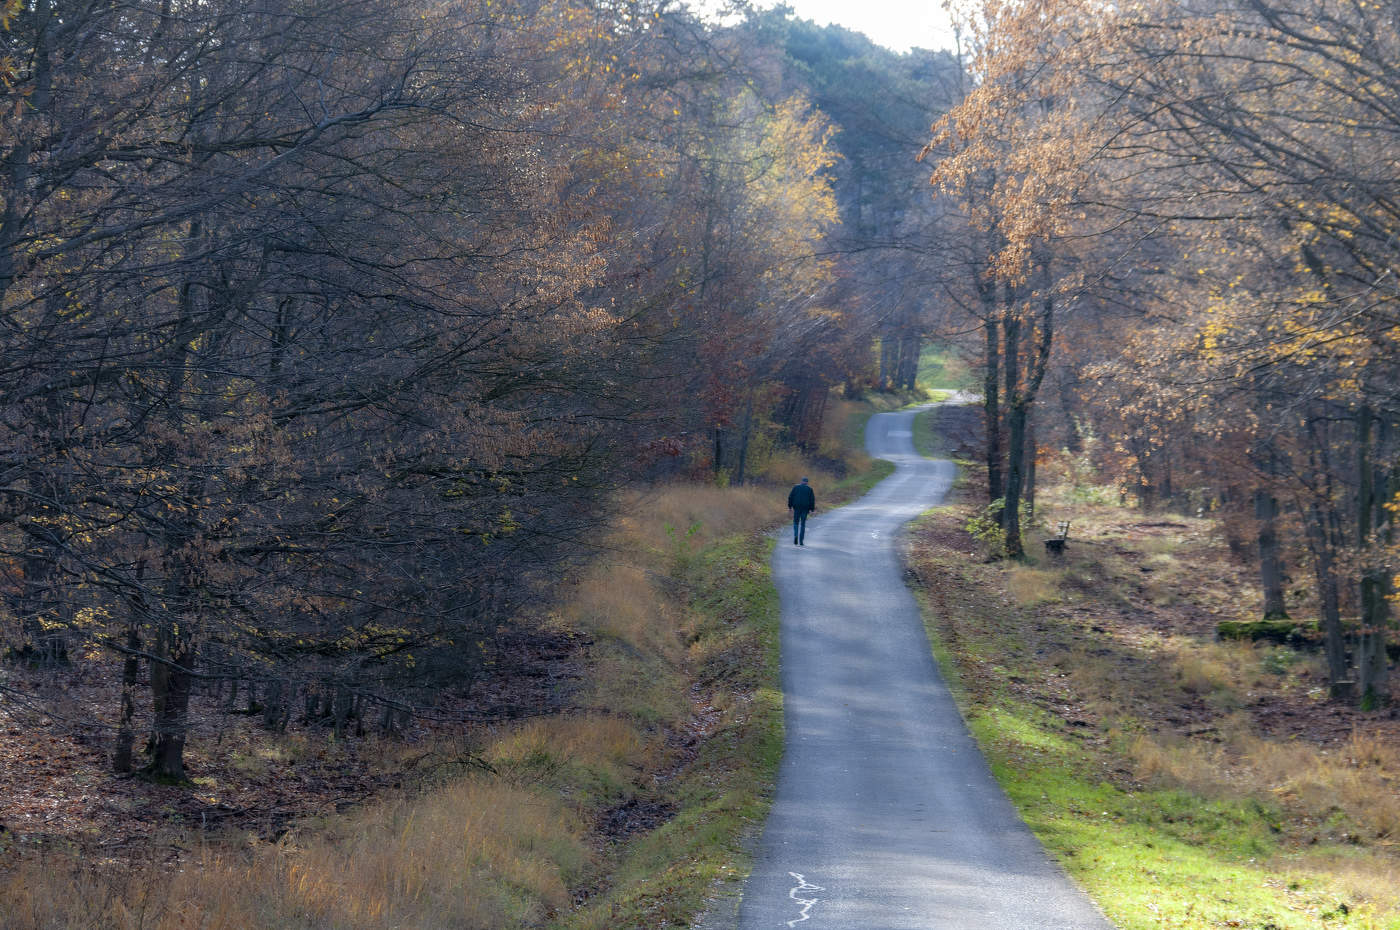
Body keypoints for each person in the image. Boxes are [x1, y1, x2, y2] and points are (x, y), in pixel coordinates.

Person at [787, 476, 816, 546]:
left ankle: (796, 535)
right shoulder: (810, 489)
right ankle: (801, 541)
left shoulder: (796, 487)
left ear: (801, 481)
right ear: (807, 482)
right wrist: (812, 509)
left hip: (796, 507)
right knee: (803, 524)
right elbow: (812, 500)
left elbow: (790, 497)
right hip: (805, 509)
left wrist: (790, 507)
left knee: (796, 522)